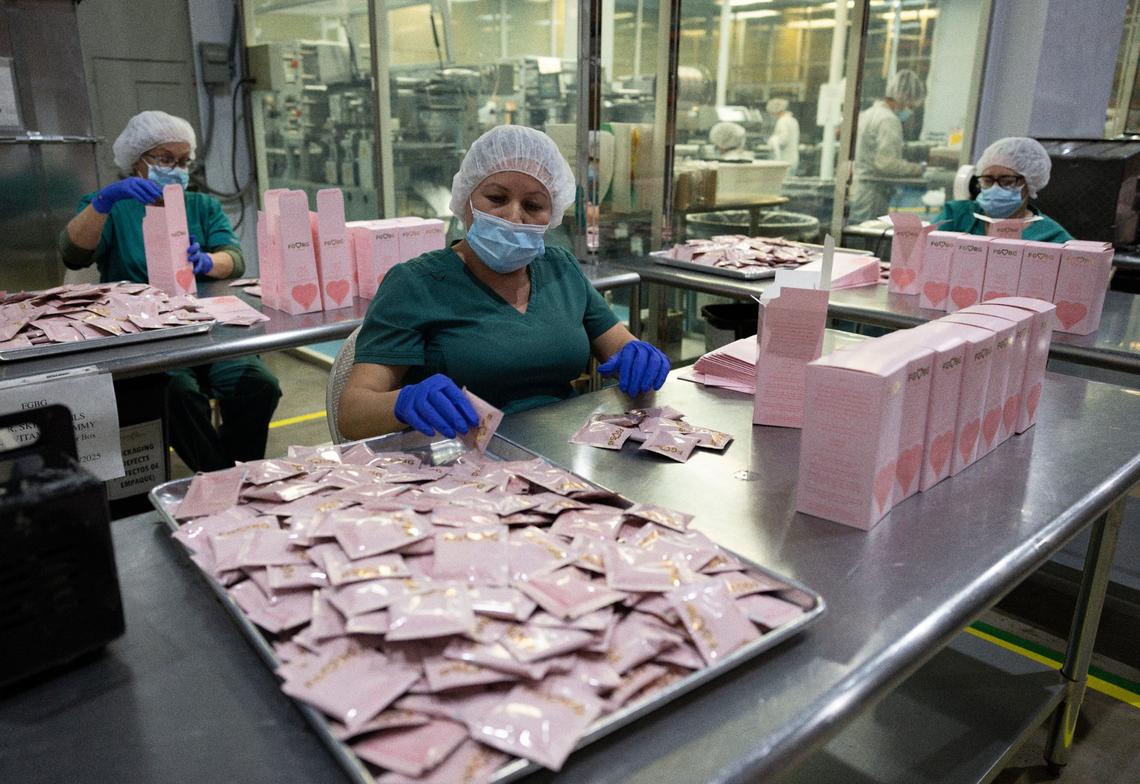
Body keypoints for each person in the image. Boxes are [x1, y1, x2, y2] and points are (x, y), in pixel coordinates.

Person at [339, 124, 669, 441]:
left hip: (565, 448)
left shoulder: (561, 270)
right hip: (458, 462)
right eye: (496, 198)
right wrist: (402, 404)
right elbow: (353, 414)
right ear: (465, 199)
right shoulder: (416, 284)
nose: (513, 216)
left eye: (533, 205)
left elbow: (622, 347)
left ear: (551, 214)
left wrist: (640, 356)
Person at [59, 110, 281, 471]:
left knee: (259, 384)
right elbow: (73, 254)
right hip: (146, 335)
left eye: (183, 160)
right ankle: (221, 476)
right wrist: (105, 201)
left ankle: (234, 470)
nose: (176, 167)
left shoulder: (201, 205)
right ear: (138, 161)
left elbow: (234, 258)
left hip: (210, 330)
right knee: (177, 394)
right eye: (165, 159)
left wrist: (208, 263)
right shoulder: (113, 208)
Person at [931, 136, 1072, 242]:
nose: (995, 188)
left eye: (1007, 181)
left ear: (1030, 183)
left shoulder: (1052, 237)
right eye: (987, 180)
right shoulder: (957, 215)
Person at [849, 69, 927, 222]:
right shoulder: (889, 120)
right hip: (873, 194)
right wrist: (919, 169)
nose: (910, 111)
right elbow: (886, 164)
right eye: (911, 106)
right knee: (869, 240)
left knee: (858, 233)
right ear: (904, 98)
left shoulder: (869, 113)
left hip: (860, 189)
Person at [766, 98, 800, 175]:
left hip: (784, 160)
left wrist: (772, 140)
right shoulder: (793, 120)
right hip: (793, 159)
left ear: (775, 112)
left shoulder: (782, 121)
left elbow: (783, 141)